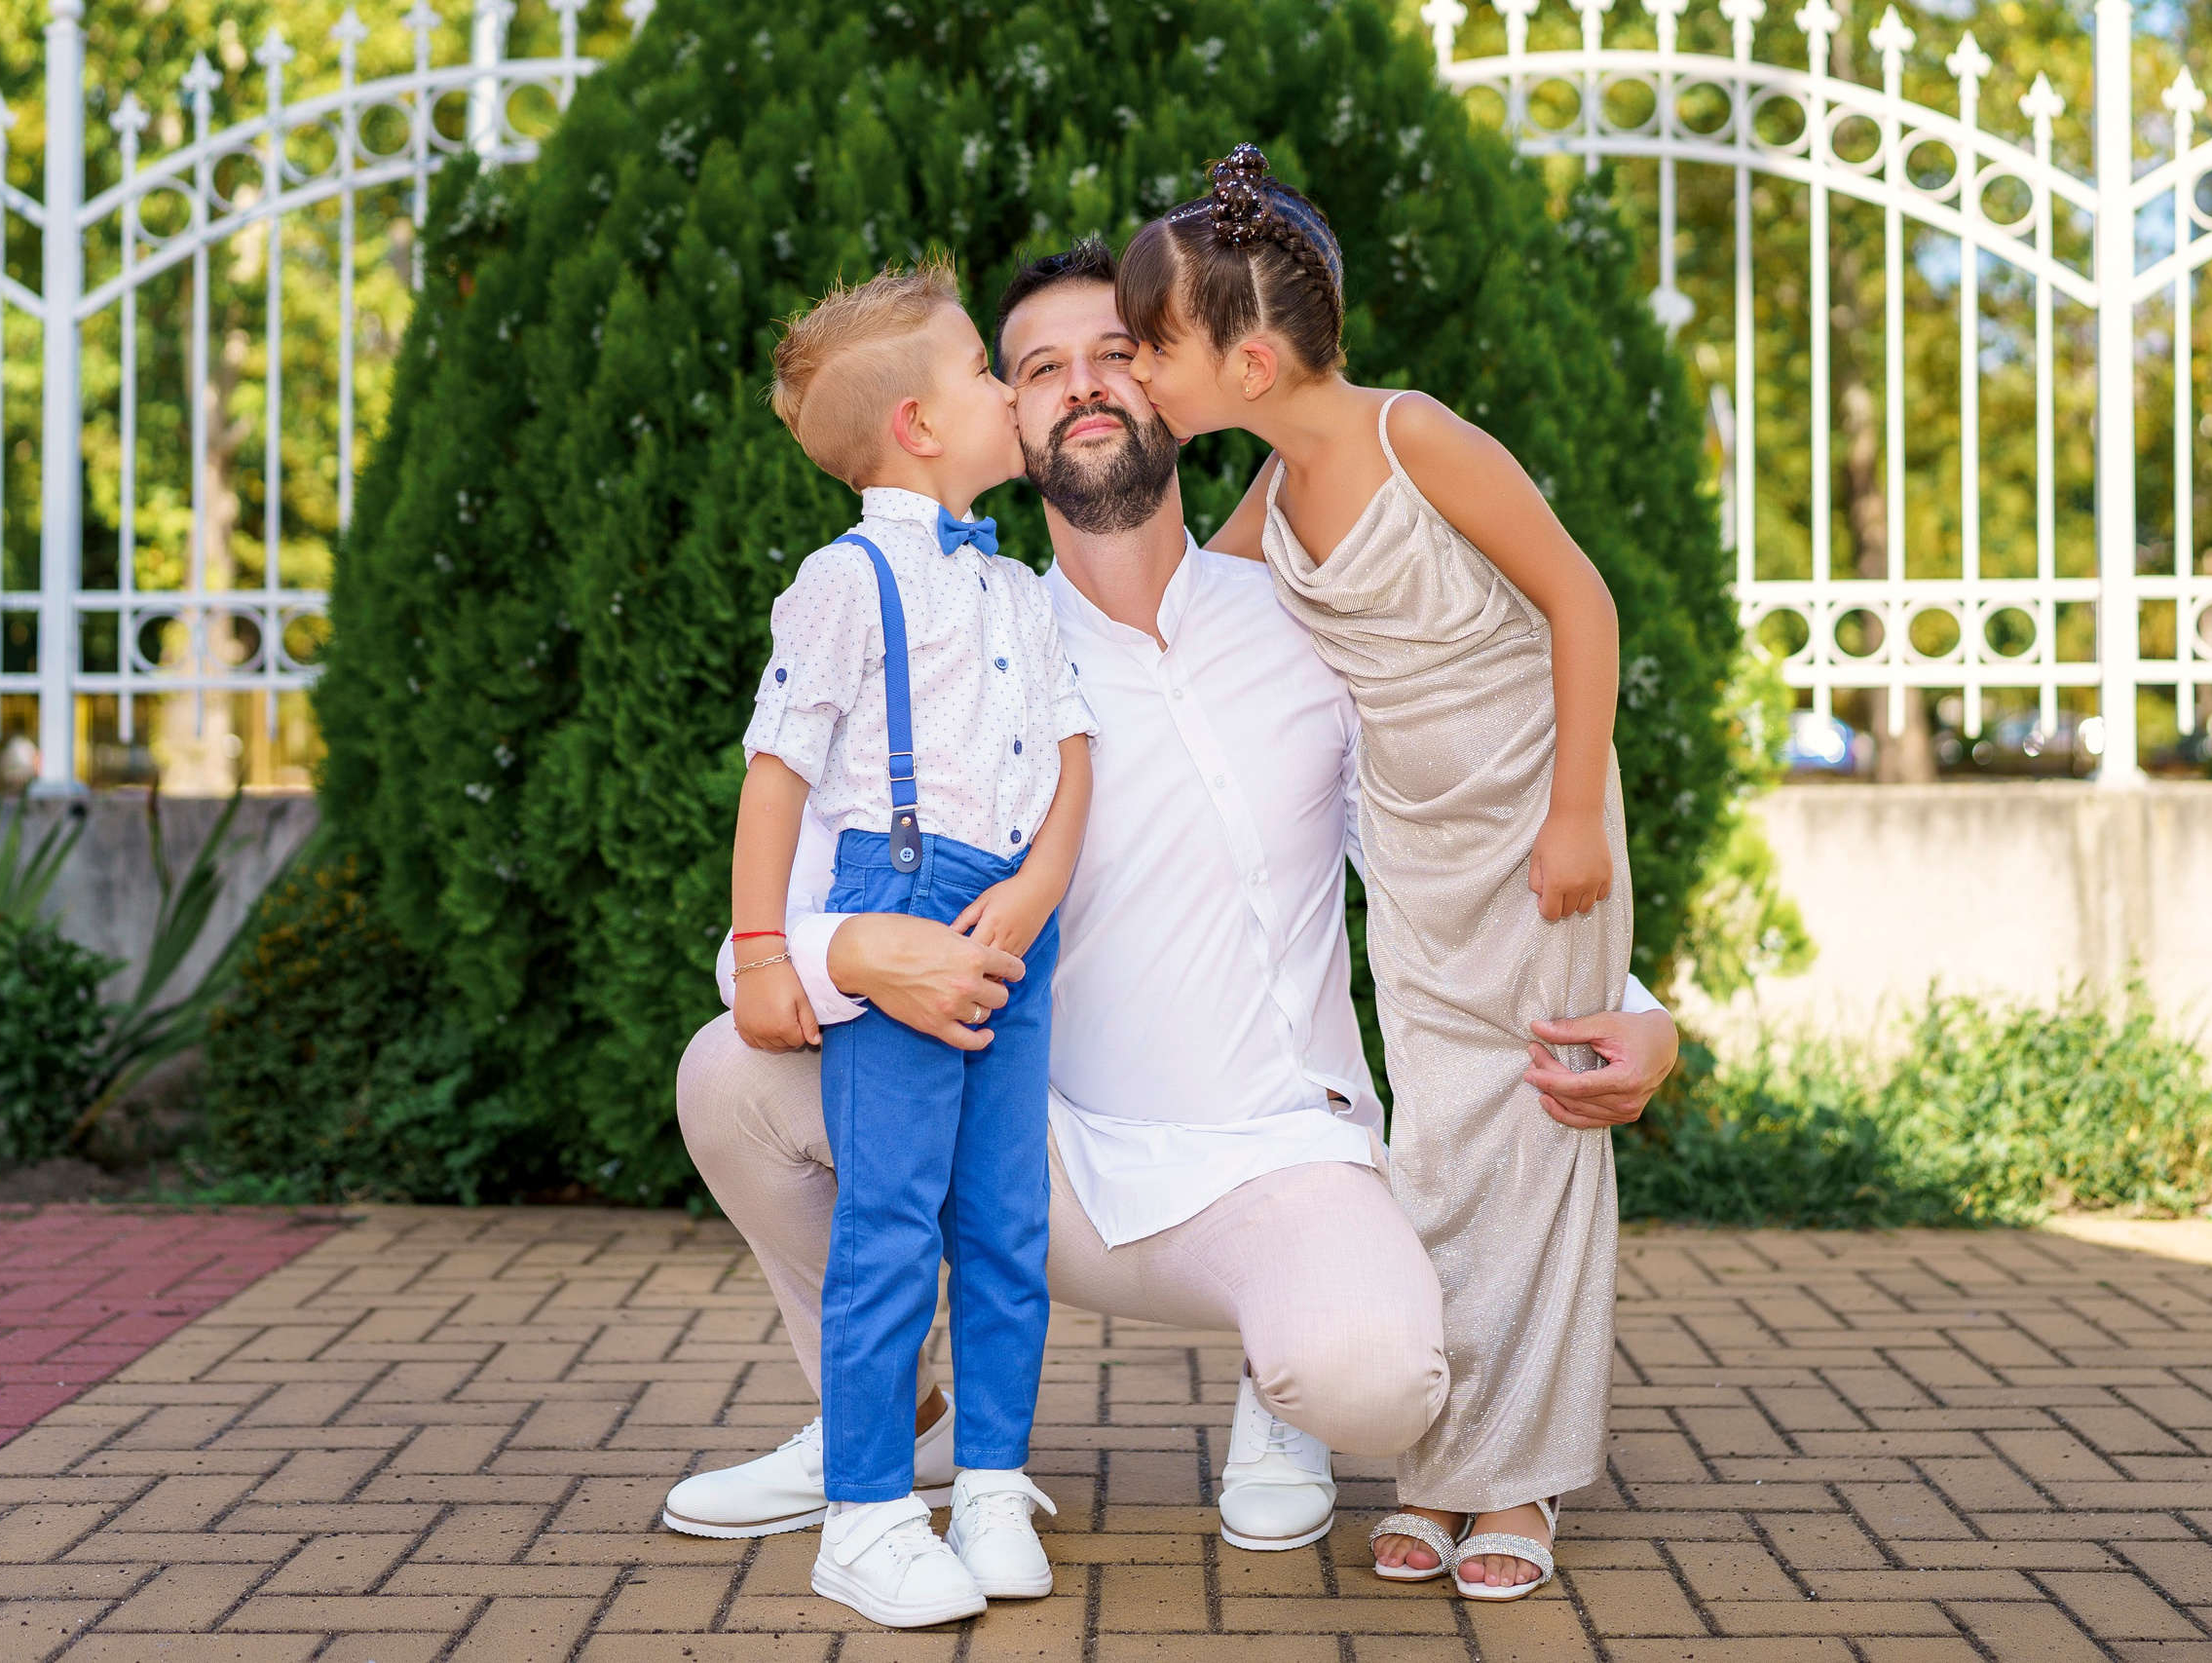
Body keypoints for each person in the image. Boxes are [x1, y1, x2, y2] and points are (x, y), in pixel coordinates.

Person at [668, 239, 1680, 1574]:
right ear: (1000, 423)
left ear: (1185, 387)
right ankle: (886, 1410)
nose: (1082, 386)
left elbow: (1463, 823)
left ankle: (1288, 1378)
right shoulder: (975, 640)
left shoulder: (1301, 616)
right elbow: (797, 903)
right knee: (728, 1072)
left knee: (1374, 1376)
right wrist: (853, 949)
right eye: (1034, 368)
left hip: (1281, 1162)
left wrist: (1638, 1006)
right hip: (1046, 1161)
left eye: (1117, 355)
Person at [1118, 145, 1634, 1602]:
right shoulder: (1272, 504)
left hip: (1539, 844)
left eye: (1154, 347)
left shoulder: (1424, 442)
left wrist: (1578, 810)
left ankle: (1518, 1490)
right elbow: (1190, 614)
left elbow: (1580, 600)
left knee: (1535, 1143)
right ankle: (1443, 1468)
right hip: (1410, 865)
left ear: (1255, 355)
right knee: (1436, 1156)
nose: (1142, 371)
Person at [733, 257, 1098, 1629]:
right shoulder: (842, 583)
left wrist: (1041, 884)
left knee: (1004, 1220)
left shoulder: (1017, 587)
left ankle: (992, 1480)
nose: (1014, 395)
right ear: (922, 429)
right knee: (892, 1221)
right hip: (893, 899)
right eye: (988, 374)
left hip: (1013, 914)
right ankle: (868, 1511)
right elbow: (777, 772)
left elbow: (1071, 751)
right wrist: (767, 951)